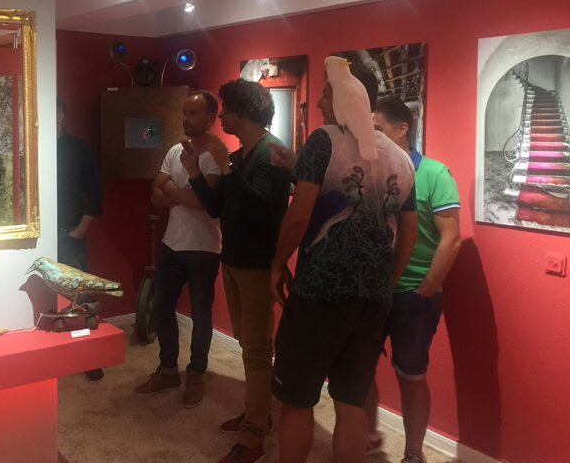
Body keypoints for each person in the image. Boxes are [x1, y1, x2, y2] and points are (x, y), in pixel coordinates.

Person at [269, 57, 419, 463]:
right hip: (372, 301)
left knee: (296, 400)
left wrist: (278, 263)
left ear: (348, 97)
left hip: (320, 293)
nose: (319, 102)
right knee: (351, 401)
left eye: (325, 94)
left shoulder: (324, 140)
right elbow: (409, 232)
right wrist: (386, 282)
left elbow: (298, 214)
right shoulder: (402, 158)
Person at [184, 79, 290, 463]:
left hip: (257, 267)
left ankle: (253, 437)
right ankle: (257, 414)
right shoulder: (243, 154)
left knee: (257, 351)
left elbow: (259, 206)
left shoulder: (270, 153)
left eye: (226, 109)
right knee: (249, 345)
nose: (222, 116)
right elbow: (217, 208)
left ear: (244, 111)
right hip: (233, 261)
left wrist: (226, 166)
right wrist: (195, 173)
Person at [364, 95, 461, 463]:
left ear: (402, 128)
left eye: (377, 128)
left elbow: (451, 238)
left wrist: (425, 290)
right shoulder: (372, 171)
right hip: (373, 291)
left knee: (411, 376)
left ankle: (413, 452)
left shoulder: (435, 173)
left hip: (413, 297)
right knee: (360, 369)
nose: (371, 136)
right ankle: (368, 436)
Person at [134, 90, 222, 408]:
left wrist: (171, 188)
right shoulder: (174, 151)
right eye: (184, 112)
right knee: (161, 308)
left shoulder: (216, 155)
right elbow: (154, 195)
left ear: (210, 117)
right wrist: (181, 193)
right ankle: (168, 370)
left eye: (193, 113)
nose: (186, 118)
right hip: (172, 244)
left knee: (201, 316)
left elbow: (203, 203)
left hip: (204, 248)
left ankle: (196, 374)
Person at [56, 97, 104, 382]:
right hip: (38, 237)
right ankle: (55, 355)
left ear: (61, 114)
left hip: (70, 235)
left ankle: (89, 357)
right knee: (46, 297)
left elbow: (96, 194)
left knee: (81, 300)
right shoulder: (30, 149)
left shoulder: (78, 149)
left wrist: (80, 230)